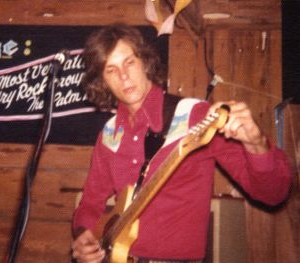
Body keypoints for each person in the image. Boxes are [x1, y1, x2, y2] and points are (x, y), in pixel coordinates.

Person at [71, 23, 292, 263]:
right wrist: (83, 234)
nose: (124, 76)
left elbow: (273, 194)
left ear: (145, 61)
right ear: (102, 81)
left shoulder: (196, 116)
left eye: (129, 62)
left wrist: (257, 145)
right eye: (111, 70)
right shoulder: (109, 133)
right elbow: (90, 203)